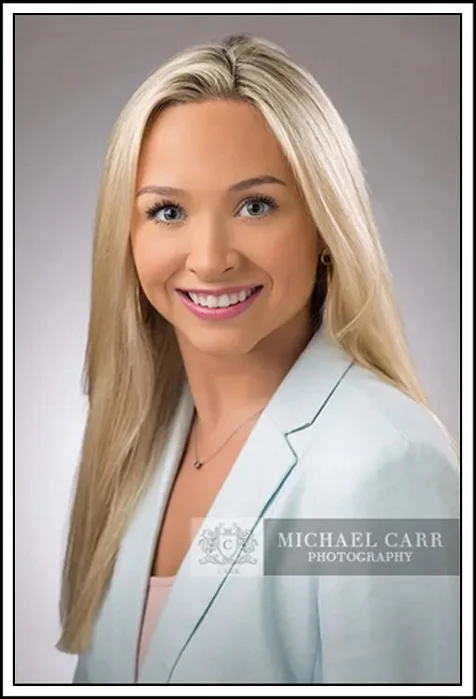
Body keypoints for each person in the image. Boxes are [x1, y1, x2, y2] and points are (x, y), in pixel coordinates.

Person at [56, 34, 460, 685]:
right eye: (167, 210)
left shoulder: (388, 464)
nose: (210, 258)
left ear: (325, 226)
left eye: (255, 205)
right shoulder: (139, 444)